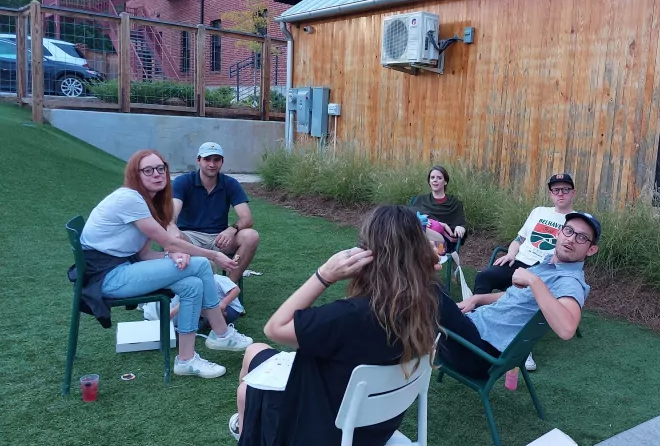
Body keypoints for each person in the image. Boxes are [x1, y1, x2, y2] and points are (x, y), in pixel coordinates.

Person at [230, 205, 442, 445]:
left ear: (365, 254)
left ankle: (245, 428)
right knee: (253, 353)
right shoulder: (428, 302)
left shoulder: (349, 317)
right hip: (373, 428)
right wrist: (423, 265)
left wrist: (323, 275)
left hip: (318, 427)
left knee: (247, 383)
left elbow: (275, 328)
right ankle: (243, 425)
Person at [80, 149, 253, 379]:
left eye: (161, 168)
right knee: (201, 265)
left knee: (192, 284)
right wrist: (213, 255)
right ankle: (221, 334)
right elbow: (168, 240)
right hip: (106, 277)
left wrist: (171, 256)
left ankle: (186, 360)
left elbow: (144, 254)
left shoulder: (148, 201)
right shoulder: (129, 198)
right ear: (135, 173)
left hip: (124, 268)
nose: (157, 174)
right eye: (148, 170)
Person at [438, 211, 601, 379]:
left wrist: (533, 280)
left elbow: (567, 329)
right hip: (474, 328)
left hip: (477, 351)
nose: (571, 239)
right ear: (559, 233)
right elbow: (515, 297)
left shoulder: (569, 281)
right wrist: (477, 299)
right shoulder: (548, 265)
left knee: (431, 292)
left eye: (582, 237)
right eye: (569, 231)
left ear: (591, 249)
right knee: (429, 304)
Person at [473, 173, 576, 371]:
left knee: (524, 296)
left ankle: (520, 345)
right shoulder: (538, 211)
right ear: (550, 193)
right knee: (484, 276)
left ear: (573, 193)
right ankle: (481, 323)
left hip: (542, 269)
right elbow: (518, 239)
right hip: (519, 261)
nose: (560, 194)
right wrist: (511, 253)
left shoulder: (574, 221)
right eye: (556, 190)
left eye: (565, 190)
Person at [169, 142, 260, 284]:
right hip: (190, 236)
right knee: (174, 236)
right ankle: (195, 288)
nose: (212, 164)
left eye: (216, 159)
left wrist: (231, 230)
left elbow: (247, 218)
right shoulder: (183, 181)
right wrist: (172, 226)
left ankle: (228, 286)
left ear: (222, 162)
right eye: (207, 159)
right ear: (198, 160)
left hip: (219, 238)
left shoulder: (230, 183)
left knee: (251, 236)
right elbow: (172, 215)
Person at [409, 165, 467, 252]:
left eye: (439, 178)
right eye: (432, 177)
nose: (435, 180)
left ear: (445, 182)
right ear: (429, 181)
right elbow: (408, 217)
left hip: (442, 246)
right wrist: (422, 221)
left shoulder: (454, 203)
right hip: (420, 240)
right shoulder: (420, 199)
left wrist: (461, 227)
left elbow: (461, 223)